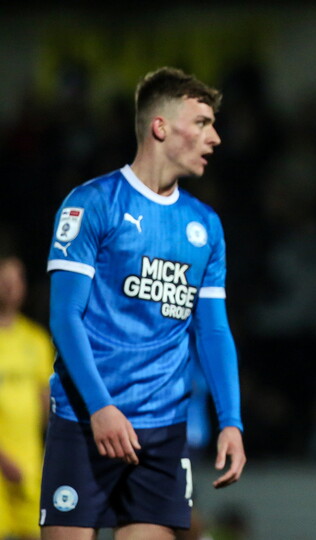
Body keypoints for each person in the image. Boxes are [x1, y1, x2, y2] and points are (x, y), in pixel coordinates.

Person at [42, 67, 246, 540]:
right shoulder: (92, 203)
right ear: (160, 127)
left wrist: (231, 421)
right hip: (86, 418)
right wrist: (100, 407)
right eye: (202, 123)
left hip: (164, 428)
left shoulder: (205, 225)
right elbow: (65, 316)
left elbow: (213, 331)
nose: (214, 137)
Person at [0, 247, 54, 540]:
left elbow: (47, 406)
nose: (10, 287)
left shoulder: (37, 340)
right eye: (3, 279)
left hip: (31, 469)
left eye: (16, 279)